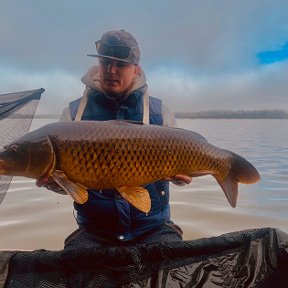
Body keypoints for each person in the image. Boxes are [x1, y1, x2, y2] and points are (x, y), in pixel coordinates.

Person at [38, 30, 191, 249]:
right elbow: (72, 190)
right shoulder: (72, 115)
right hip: (94, 232)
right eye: (105, 62)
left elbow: (179, 175)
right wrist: (55, 185)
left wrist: (180, 178)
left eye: (120, 65)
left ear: (136, 69)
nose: (111, 71)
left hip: (153, 229)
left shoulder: (159, 113)